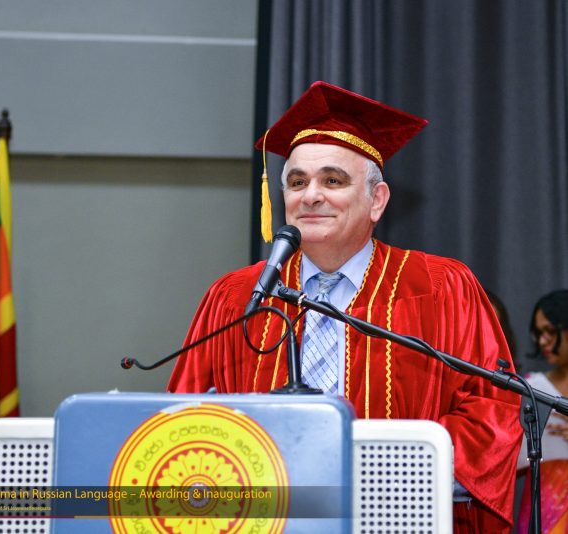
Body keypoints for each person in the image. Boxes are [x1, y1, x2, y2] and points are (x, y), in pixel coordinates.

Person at [167, 81, 522, 532]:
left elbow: (492, 411)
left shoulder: (440, 287)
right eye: (297, 182)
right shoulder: (237, 296)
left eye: (332, 180)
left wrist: (384, 475)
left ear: (377, 200)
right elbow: (186, 417)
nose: (311, 195)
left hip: (398, 519)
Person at [516, 289, 568, 533]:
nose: (543, 341)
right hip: (542, 506)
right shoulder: (532, 387)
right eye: (539, 334)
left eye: (551, 331)